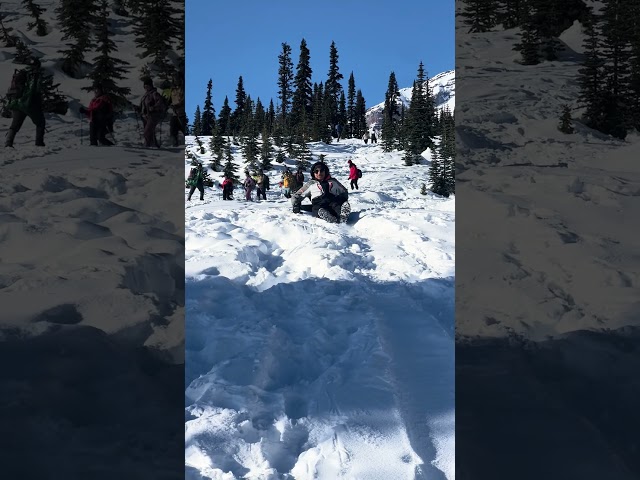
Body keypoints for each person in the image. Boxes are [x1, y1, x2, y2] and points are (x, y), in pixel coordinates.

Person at [4, 58, 45, 147]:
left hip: (17, 103)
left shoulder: (21, 72)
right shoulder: (34, 74)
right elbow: (36, 89)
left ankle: (8, 143)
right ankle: (39, 144)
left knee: (15, 125)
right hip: (29, 104)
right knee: (40, 123)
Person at [137, 77, 165, 147]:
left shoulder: (154, 94)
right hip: (145, 116)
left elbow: (160, 102)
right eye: (145, 86)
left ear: (151, 85)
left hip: (153, 115)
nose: (146, 87)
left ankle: (147, 146)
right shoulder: (145, 95)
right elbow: (142, 106)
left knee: (147, 132)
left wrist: (153, 107)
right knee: (150, 132)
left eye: (147, 86)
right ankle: (155, 146)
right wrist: (137, 108)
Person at [167, 71, 186, 147]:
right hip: (175, 113)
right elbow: (170, 99)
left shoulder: (184, 89)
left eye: (177, 79)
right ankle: (175, 144)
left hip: (183, 112)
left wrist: (178, 105)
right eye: (175, 79)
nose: (176, 80)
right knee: (173, 129)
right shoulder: (173, 89)